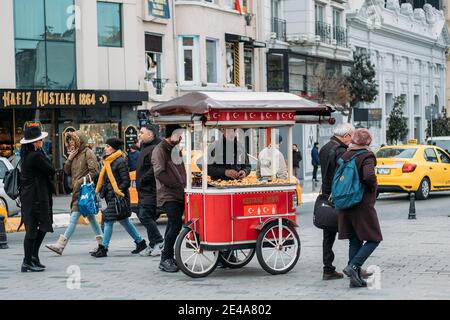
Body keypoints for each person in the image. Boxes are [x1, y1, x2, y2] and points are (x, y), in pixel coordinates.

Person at [46, 131, 103, 255]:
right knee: (91, 218)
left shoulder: (88, 153)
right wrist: (69, 159)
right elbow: (67, 171)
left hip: (84, 191)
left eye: (73, 140)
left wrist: (80, 182)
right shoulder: (74, 154)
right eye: (69, 141)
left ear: (79, 140)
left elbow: (94, 172)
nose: (71, 143)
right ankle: (102, 243)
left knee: (73, 218)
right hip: (77, 191)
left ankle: (60, 245)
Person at [338, 128, 383, 288]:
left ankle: (354, 279)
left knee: (355, 239)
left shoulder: (346, 155)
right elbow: (369, 175)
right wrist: (373, 188)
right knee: (374, 238)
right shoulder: (367, 155)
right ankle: (353, 266)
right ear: (367, 142)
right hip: (362, 204)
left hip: (346, 202)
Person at [91, 138, 147, 258]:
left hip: (118, 197)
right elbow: (107, 180)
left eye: (107, 146)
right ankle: (140, 242)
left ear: (113, 148)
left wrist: (117, 192)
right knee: (124, 221)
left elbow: (125, 181)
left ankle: (103, 248)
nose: (105, 148)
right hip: (111, 196)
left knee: (108, 221)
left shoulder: (119, 161)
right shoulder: (108, 161)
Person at [318, 123, 354, 280]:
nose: (352, 141)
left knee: (328, 233)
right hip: (338, 196)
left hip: (326, 193)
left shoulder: (325, 147)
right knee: (354, 231)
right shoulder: (341, 151)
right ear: (345, 136)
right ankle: (354, 266)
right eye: (351, 137)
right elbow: (343, 175)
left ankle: (328, 269)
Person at [19, 126, 56, 272]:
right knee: (33, 230)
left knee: (42, 226)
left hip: (33, 196)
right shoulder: (35, 156)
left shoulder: (30, 154)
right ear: (34, 142)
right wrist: (43, 154)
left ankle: (33, 257)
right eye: (40, 139)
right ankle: (27, 261)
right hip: (35, 197)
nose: (42, 141)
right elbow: (51, 170)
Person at [152, 125, 186, 272]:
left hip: (179, 193)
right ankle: (165, 258)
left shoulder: (175, 150)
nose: (181, 138)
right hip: (167, 194)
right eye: (179, 135)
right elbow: (159, 173)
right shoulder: (159, 150)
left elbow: (181, 170)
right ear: (171, 135)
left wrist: (184, 183)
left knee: (172, 225)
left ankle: (168, 257)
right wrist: (176, 184)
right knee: (176, 225)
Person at [135, 124, 164, 257]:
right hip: (144, 190)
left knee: (144, 216)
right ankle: (153, 244)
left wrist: (143, 179)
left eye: (141, 133)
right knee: (149, 216)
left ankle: (159, 241)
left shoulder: (154, 148)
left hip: (150, 189)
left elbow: (156, 168)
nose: (139, 135)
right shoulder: (145, 147)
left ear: (150, 135)